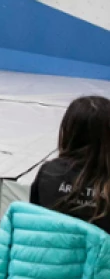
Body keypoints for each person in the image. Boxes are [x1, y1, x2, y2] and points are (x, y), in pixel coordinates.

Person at [30, 96, 110, 234]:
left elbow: (35, 223)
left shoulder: (48, 172)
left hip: (51, 253)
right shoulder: (48, 173)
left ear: (68, 132)